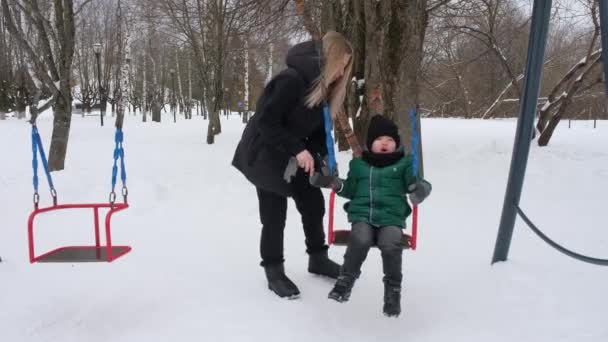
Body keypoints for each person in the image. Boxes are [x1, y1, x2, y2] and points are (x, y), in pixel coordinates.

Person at [232, 31, 353, 299]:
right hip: (264, 153)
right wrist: (298, 149)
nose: (342, 71)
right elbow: (266, 122)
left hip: (293, 155)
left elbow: (319, 130)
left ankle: (317, 258)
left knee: (313, 204)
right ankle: (274, 271)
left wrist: (321, 159)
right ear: (328, 59)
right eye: (340, 64)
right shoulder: (291, 81)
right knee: (274, 215)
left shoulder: (323, 88)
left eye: (346, 66)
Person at [310, 115, 432, 317]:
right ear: (370, 144)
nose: (385, 143)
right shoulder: (358, 166)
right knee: (360, 238)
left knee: (390, 243)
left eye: (390, 140)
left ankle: (393, 291)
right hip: (363, 215)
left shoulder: (404, 164)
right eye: (379, 139)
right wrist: (334, 183)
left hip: (391, 217)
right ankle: (345, 281)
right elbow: (348, 189)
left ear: (396, 144)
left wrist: (419, 188)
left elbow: (416, 182)